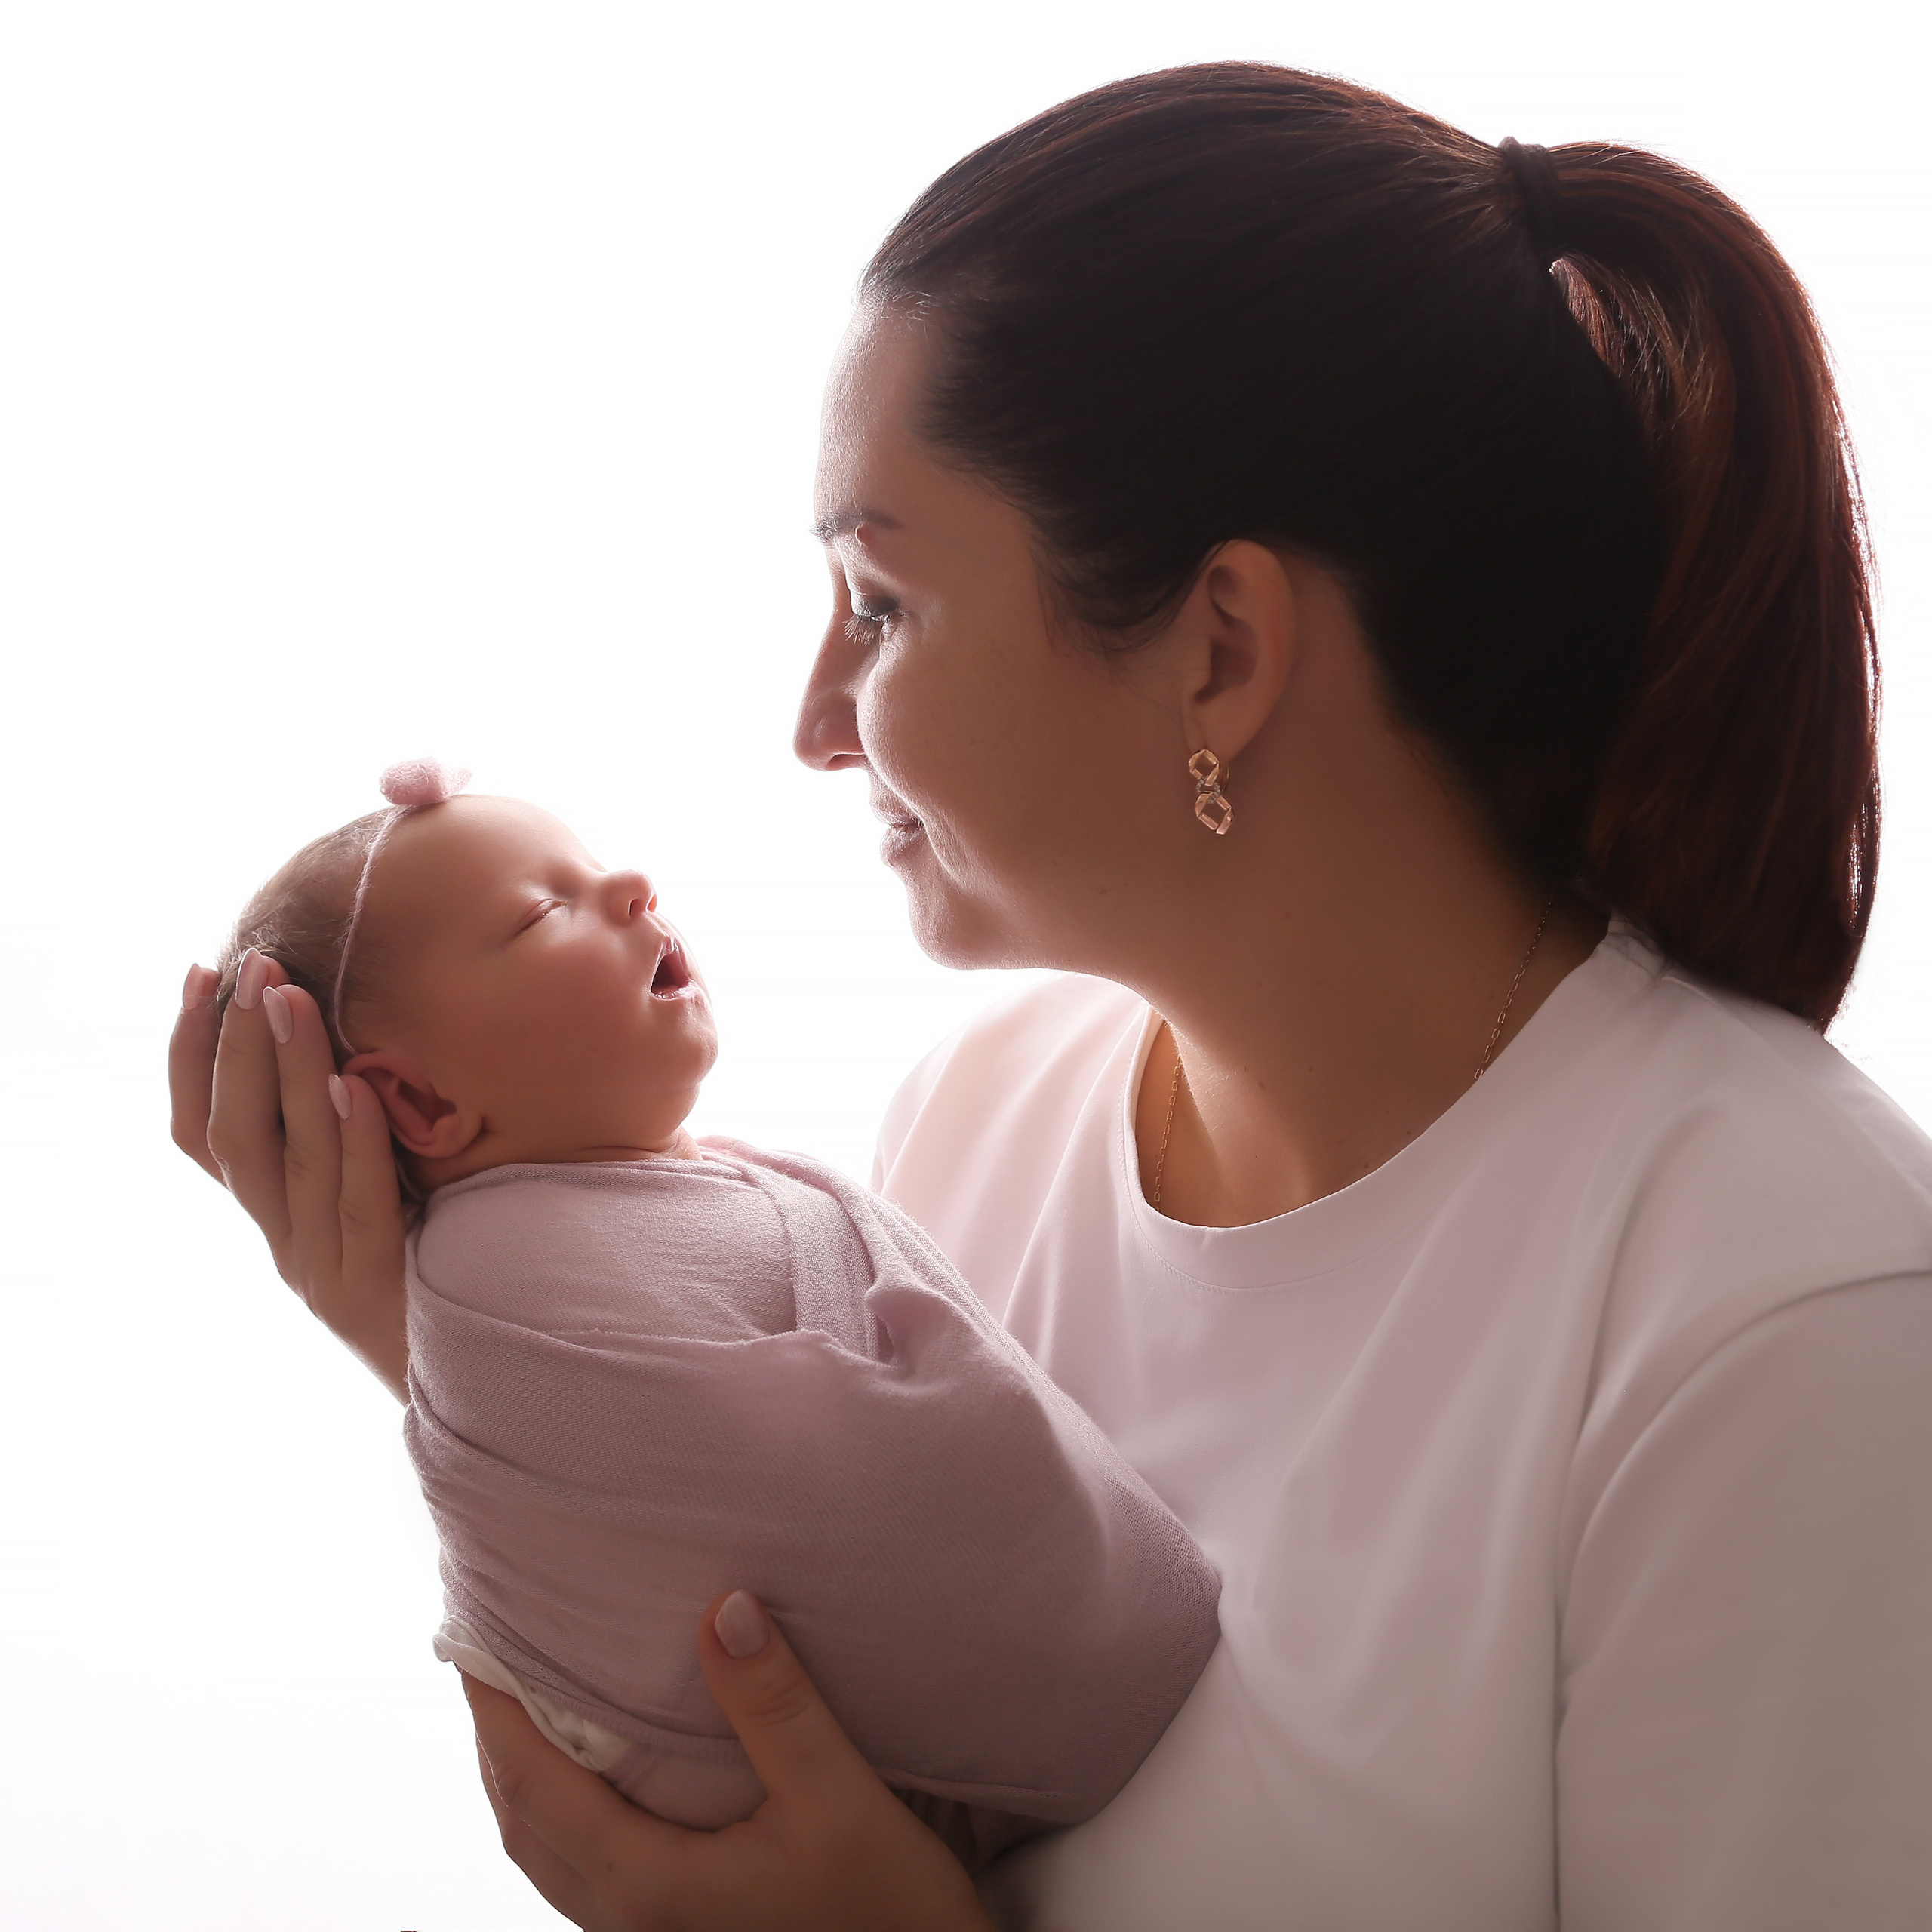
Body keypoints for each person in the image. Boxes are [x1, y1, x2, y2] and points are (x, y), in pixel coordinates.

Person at [171, 60, 1932, 1932]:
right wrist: (467, 1346)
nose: (810, 722)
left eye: (879, 602)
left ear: (1218, 650)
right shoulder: (980, 1119)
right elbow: (813, 1727)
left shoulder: (1775, 1309)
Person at [202, 761, 1217, 1872]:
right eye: (546, 910)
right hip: (886, 1764)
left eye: (596, 867)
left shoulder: (604, 1225)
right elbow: (781, 1477)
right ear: (424, 1104)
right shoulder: (499, 1270)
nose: (635, 883)